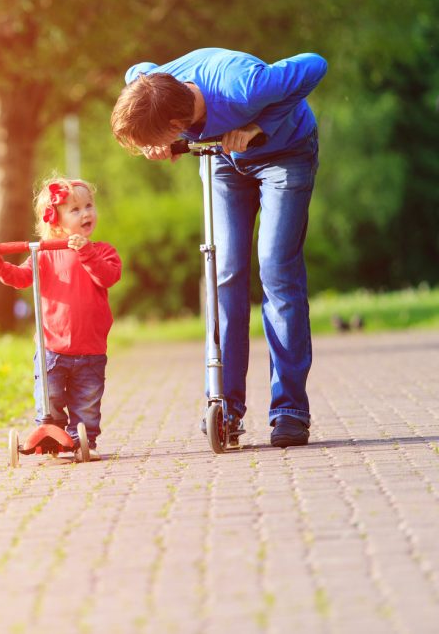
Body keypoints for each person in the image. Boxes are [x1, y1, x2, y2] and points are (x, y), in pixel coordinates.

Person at [110, 48, 327, 447]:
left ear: (178, 122)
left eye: (163, 136)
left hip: (285, 155)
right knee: (224, 272)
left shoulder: (242, 88)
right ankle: (224, 405)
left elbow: (314, 65)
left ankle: (290, 410)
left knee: (276, 269)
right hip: (225, 161)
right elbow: (133, 71)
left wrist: (260, 124)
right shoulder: (151, 83)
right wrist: (152, 145)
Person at [0, 177, 122, 457]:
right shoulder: (44, 255)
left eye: (89, 206)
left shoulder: (102, 251)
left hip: (91, 348)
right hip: (52, 347)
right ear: (55, 221)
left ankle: (85, 441)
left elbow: (107, 276)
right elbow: (21, 279)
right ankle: (52, 437)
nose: (86, 213)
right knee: (50, 398)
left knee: (87, 402)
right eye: (75, 209)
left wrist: (86, 252)